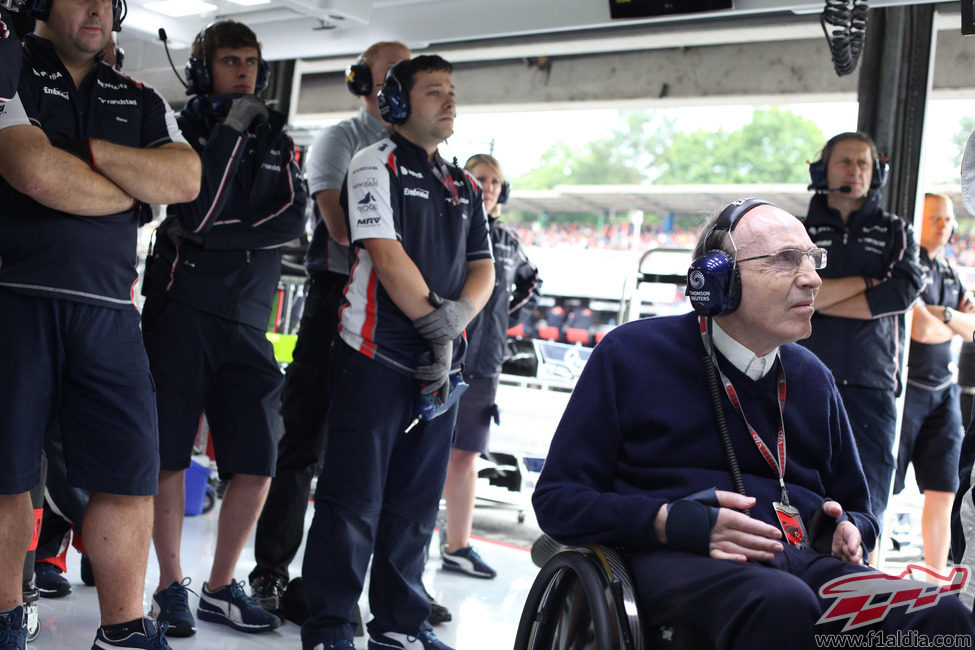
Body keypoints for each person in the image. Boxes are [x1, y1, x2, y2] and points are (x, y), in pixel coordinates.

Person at [532, 198, 975, 649]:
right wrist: (667, 520)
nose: (812, 279)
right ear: (718, 279)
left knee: (940, 614)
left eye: (812, 259)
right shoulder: (632, 355)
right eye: (786, 260)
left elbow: (859, 507)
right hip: (675, 557)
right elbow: (558, 501)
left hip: (802, 563)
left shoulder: (812, 377)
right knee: (780, 603)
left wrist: (853, 529)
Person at [0, 0, 201, 647]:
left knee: (128, 476)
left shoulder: (138, 97)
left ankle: (123, 630)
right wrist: (125, 181)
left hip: (111, 314)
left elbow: (184, 176)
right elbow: (30, 169)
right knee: (5, 475)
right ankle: (4, 618)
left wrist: (79, 153)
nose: (96, 8)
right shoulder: (9, 66)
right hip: (14, 297)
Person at [300, 55, 494, 650]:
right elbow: (385, 254)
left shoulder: (464, 184)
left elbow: (482, 268)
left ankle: (399, 625)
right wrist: (441, 327)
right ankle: (331, 626)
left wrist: (456, 319)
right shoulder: (371, 162)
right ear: (398, 104)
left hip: (441, 367)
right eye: (434, 91)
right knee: (351, 502)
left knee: (414, 507)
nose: (449, 101)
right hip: (373, 356)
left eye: (452, 91)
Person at [140, 19, 306, 637]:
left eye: (252, 63)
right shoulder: (178, 130)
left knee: (258, 461)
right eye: (232, 61)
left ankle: (219, 587)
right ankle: (168, 585)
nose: (245, 73)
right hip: (180, 311)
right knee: (168, 457)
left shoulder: (278, 137)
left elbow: (291, 221)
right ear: (202, 67)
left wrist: (213, 236)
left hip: (248, 321)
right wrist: (231, 130)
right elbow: (196, 202)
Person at [249, 40, 411, 614]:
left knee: (372, 458)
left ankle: (332, 588)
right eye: (392, 70)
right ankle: (269, 571)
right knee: (302, 444)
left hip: (395, 311)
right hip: (335, 300)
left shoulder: (419, 155)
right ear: (361, 80)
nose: (402, 79)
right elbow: (342, 231)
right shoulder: (341, 140)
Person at [799, 132, 926, 524]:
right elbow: (795, 292)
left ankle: (859, 578)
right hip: (804, 376)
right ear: (823, 170)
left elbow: (902, 292)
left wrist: (821, 300)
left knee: (868, 498)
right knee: (802, 490)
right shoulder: (797, 230)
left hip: (872, 383)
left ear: (877, 174)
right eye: (845, 162)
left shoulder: (896, 230)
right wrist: (870, 281)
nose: (854, 170)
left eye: (863, 163)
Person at [440, 154, 540, 579]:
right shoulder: (451, 223)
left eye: (497, 180)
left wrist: (497, 317)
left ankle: (457, 546)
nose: (492, 186)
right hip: (443, 354)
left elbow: (531, 285)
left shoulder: (508, 239)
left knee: (465, 457)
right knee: (425, 453)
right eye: (483, 179)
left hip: (485, 362)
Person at [894, 193, 975, 577]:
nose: (945, 225)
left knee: (944, 489)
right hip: (905, 390)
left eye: (948, 219)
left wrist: (942, 314)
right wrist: (953, 319)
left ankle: (934, 574)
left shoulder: (947, 269)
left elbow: (972, 327)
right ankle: (869, 569)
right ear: (918, 220)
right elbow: (920, 329)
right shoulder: (906, 263)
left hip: (944, 393)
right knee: (887, 489)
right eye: (935, 218)